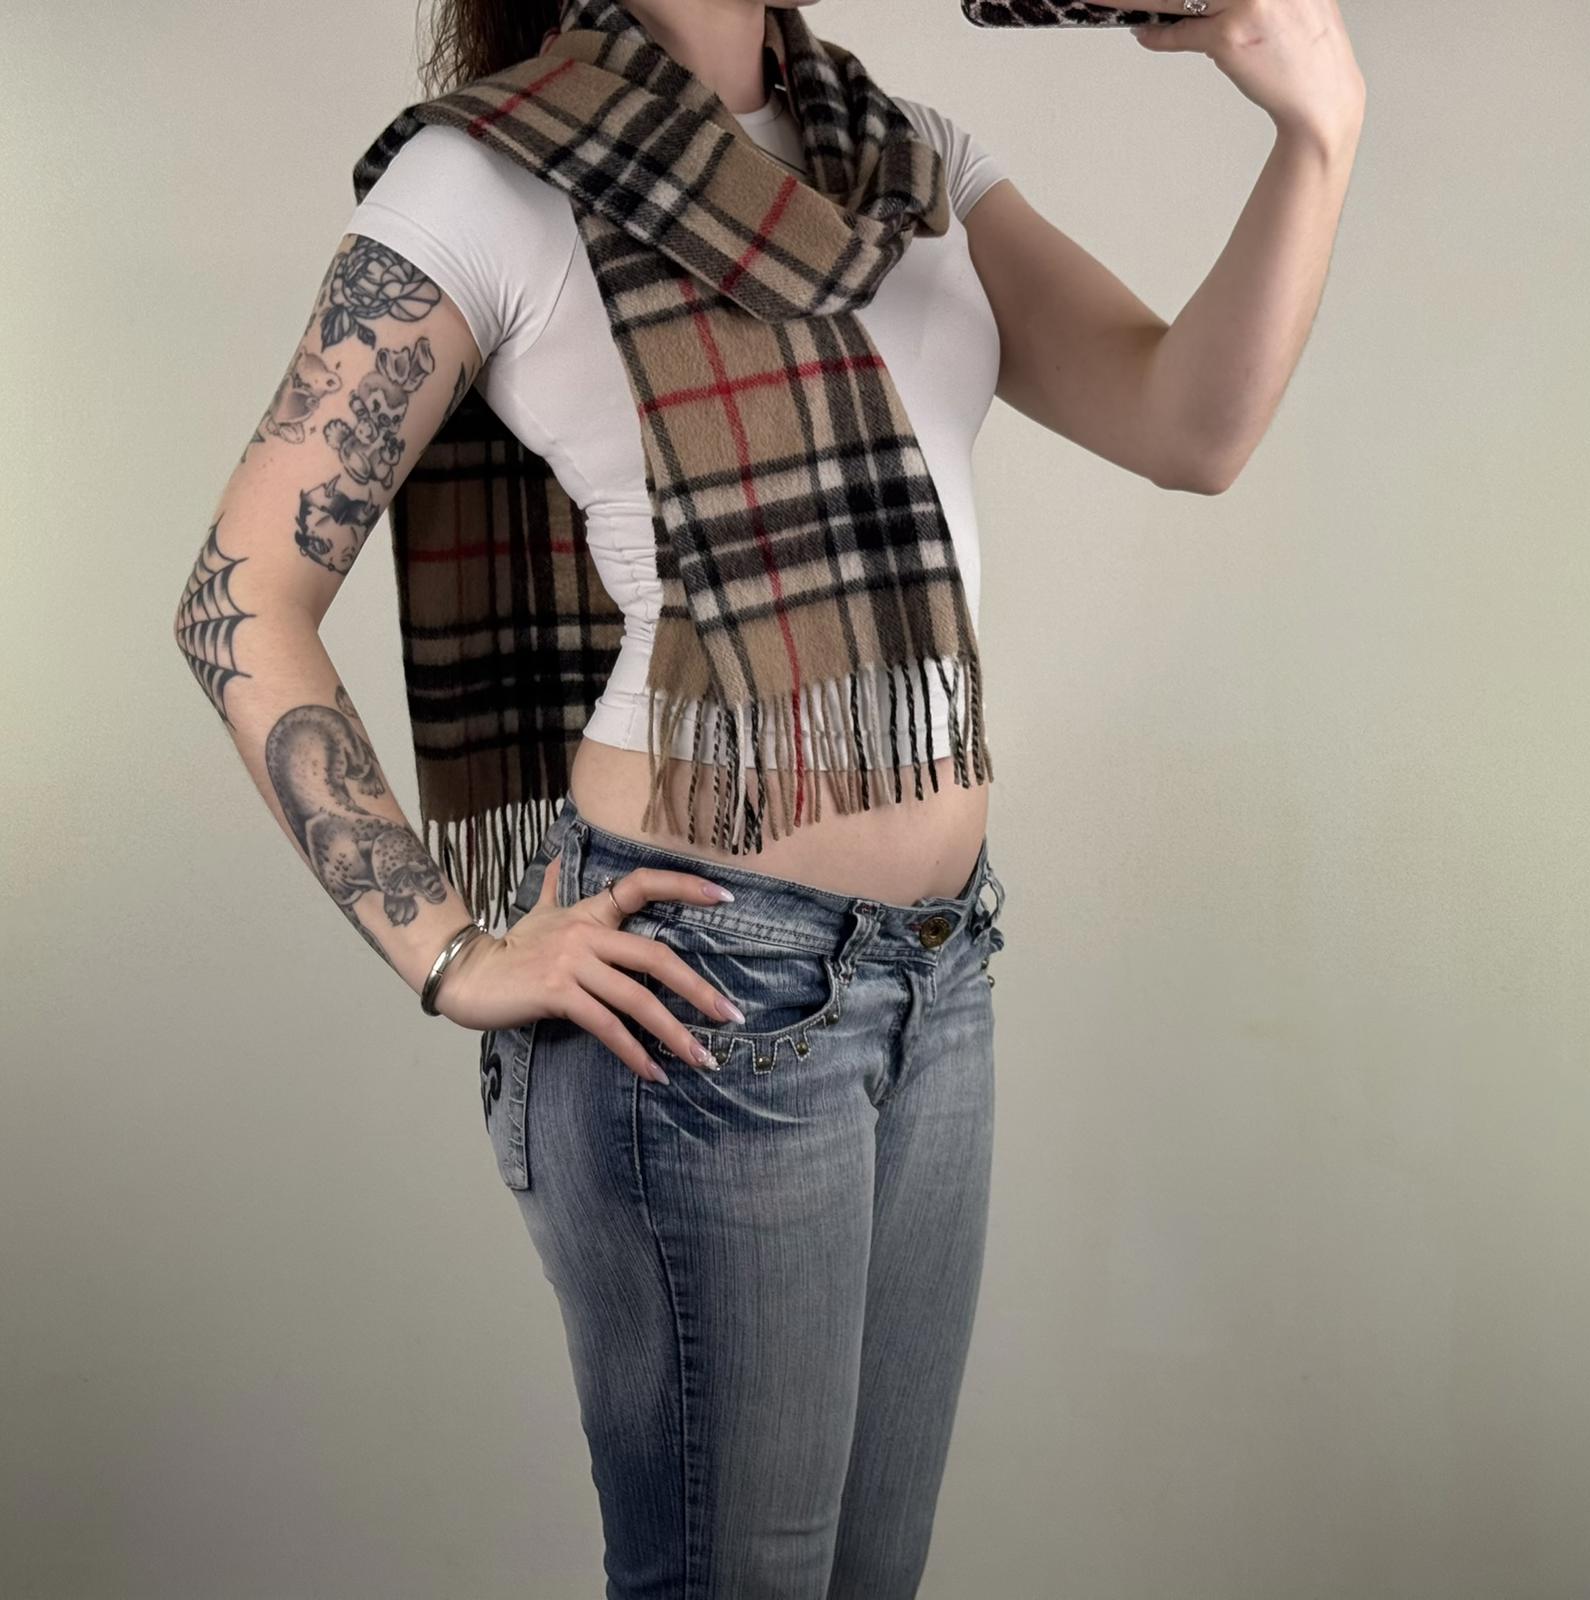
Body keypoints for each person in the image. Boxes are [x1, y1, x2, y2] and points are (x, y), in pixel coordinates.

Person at [173, 0, 1363, 1592]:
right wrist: (447, 952)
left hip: (937, 976)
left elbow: (1186, 424)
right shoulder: (499, 172)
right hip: (707, 995)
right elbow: (240, 599)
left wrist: (1315, 133)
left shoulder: (906, 159)